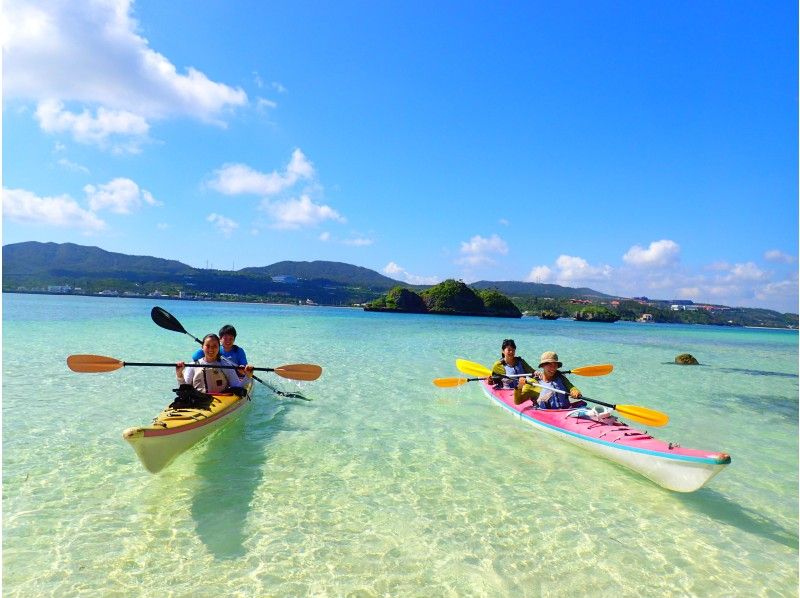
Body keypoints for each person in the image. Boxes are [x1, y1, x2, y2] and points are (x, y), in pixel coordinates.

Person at [177, 333, 254, 394]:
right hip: (198, 400)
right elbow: (185, 389)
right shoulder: (193, 365)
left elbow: (237, 387)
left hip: (221, 401)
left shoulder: (226, 365)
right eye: (207, 346)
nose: (211, 349)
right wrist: (179, 375)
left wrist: (247, 376)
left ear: (219, 348)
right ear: (202, 347)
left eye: (215, 346)